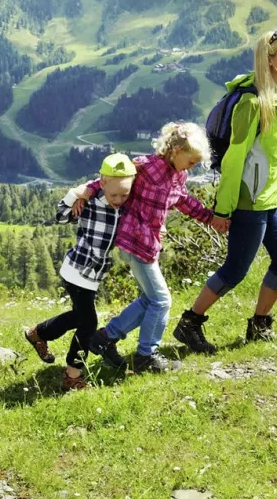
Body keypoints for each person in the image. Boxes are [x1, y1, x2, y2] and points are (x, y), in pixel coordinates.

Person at [174, 29, 277, 353]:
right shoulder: (252, 103)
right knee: (236, 269)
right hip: (249, 201)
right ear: (269, 61)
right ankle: (190, 322)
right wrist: (222, 210)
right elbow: (233, 161)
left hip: (272, 199)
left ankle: (259, 325)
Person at [83, 122, 228, 375]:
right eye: (191, 161)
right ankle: (146, 356)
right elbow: (112, 180)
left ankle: (105, 338)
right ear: (175, 150)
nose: (192, 167)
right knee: (161, 301)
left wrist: (210, 217)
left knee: (149, 300)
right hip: (134, 241)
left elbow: (183, 200)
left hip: (149, 245)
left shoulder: (178, 175)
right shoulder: (146, 167)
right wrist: (85, 191)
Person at [22, 153, 136, 392]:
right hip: (76, 271)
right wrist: (75, 193)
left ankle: (37, 333)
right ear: (102, 183)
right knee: (88, 324)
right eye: (113, 194)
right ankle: (72, 375)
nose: (118, 199)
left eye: (124, 194)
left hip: (93, 275)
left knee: (78, 316)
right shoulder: (91, 202)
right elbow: (61, 216)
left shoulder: (126, 206)